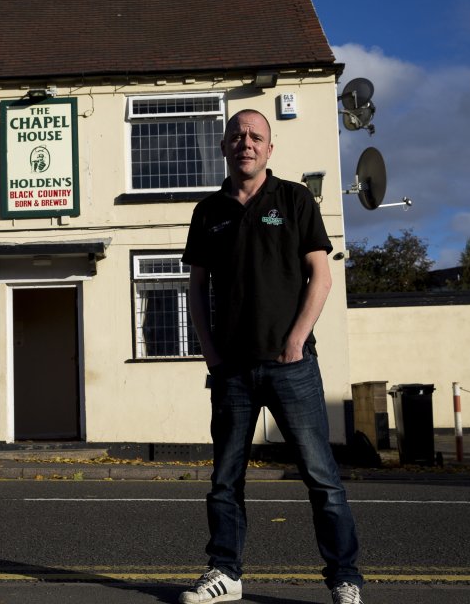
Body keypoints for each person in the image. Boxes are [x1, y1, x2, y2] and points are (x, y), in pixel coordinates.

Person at [179, 110, 364, 604]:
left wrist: (296, 341)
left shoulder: (295, 200)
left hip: (292, 367)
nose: (247, 143)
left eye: (256, 136)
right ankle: (225, 573)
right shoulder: (208, 211)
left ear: (269, 148)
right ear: (223, 146)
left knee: (322, 478)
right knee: (225, 479)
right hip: (232, 370)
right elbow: (197, 288)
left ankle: (344, 579)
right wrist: (211, 354)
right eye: (238, 136)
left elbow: (321, 277)